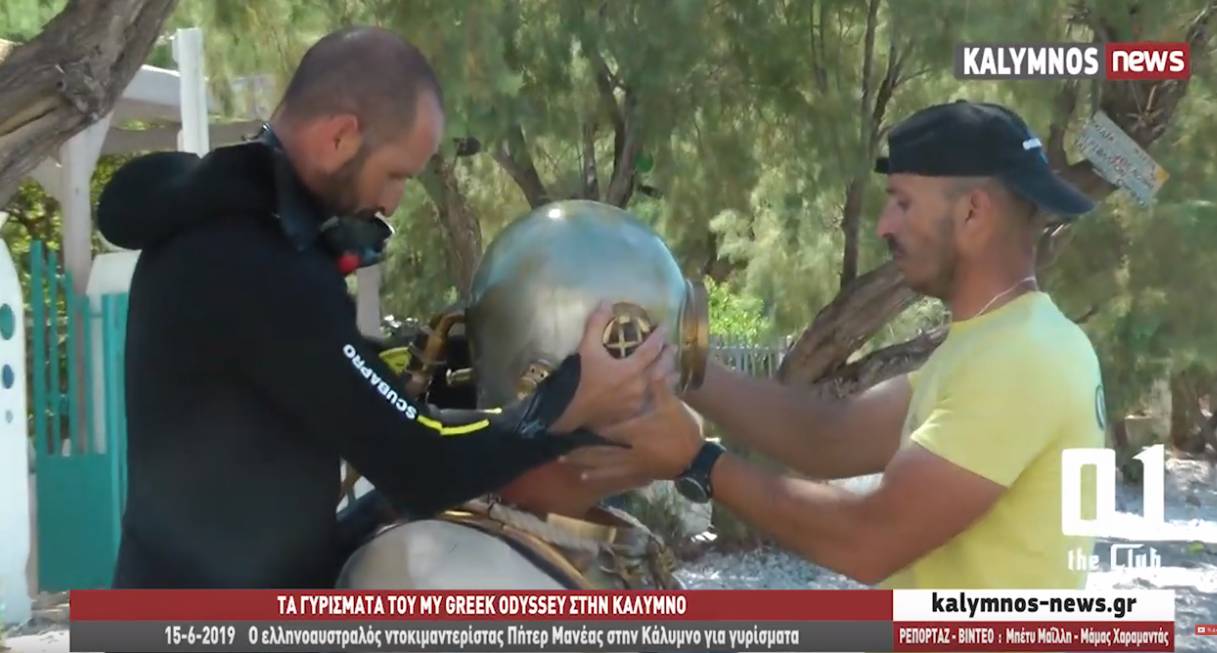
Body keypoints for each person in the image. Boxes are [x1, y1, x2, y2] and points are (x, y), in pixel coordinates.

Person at [95, 26, 666, 589]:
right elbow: (422, 463)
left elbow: (247, 496)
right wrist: (567, 402)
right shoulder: (259, 265)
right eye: (396, 174)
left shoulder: (213, 226)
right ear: (341, 136)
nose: (392, 201)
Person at [567, 100, 1107, 590]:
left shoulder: (1023, 357)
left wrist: (697, 461)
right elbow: (826, 436)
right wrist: (674, 358)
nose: (883, 226)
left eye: (902, 203)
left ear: (972, 212)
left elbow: (870, 539)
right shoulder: (996, 341)